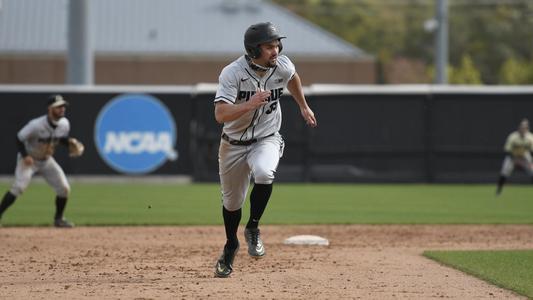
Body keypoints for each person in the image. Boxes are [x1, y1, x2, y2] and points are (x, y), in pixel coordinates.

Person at [212, 22, 317, 277]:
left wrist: (303, 105)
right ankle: (231, 245)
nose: (276, 50)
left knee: (264, 172)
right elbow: (220, 114)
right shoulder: (232, 73)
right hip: (233, 145)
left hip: (266, 138)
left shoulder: (282, 65)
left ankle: (253, 228)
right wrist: (249, 104)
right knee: (232, 203)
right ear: (253, 49)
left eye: (277, 44)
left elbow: (292, 78)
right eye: (269, 46)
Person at [0, 94, 80, 227]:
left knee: (64, 188)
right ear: (50, 109)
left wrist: (69, 143)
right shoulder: (36, 125)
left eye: (63, 106)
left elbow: (57, 138)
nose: (62, 109)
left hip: (46, 160)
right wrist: (25, 155)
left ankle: (58, 219)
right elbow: (19, 138)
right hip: (29, 160)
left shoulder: (64, 124)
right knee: (19, 187)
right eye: (58, 107)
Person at [496, 118, 533, 195]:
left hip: (524, 156)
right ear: (519, 128)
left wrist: (530, 162)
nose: (523, 129)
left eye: (525, 128)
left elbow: (531, 150)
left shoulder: (530, 137)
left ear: (527, 129)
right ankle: (499, 190)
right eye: (522, 127)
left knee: (532, 171)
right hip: (513, 156)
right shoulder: (513, 136)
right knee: (505, 171)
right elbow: (507, 150)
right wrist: (515, 158)